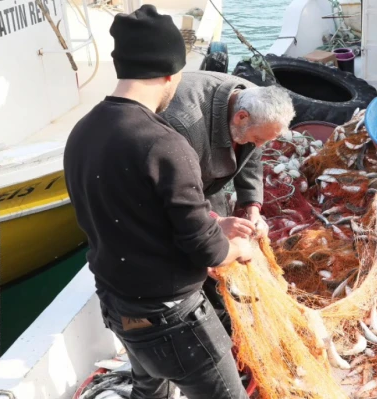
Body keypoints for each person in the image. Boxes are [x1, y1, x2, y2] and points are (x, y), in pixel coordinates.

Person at [63, 5, 252, 399]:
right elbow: (209, 252)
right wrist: (238, 246)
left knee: (149, 391)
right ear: (171, 72)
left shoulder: (82, 132)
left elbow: (128, 215)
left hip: (117, 306)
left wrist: (210, 223)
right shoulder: (165, 144)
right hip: (174, 320)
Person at [159, 71, 295, 332]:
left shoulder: (255, 101)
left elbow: (251, 156)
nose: (260, 144)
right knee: (197, 252)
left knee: (222, 255)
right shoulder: (182, 124)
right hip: (172, 188)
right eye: (258, 138)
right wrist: (213, 223)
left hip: (208, 181)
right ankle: (198, 318)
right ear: (240, 117)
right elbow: (174, 193)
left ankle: (223, 313)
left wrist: (252, 208)